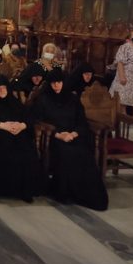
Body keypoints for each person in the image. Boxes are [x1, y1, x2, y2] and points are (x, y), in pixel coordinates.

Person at [32, 69, 108, 211]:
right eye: (53, 83)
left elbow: (81, 120)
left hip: (73, 135)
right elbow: (38, 120)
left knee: (84, 153)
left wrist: (73, 133)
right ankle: (65, 192)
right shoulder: (43, 99)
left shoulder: (73, 99)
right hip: (54, 137)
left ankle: (85, 194)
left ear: (64, 83)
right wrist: (58, 134)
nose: (56, 86)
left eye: (59, 82)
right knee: (66, 153)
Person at [0, 74, 42, 204]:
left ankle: (24, 190)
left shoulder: (13, 101)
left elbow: (28, 116)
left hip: (17, 133)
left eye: (4, 87)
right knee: (2, 150)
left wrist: (22, 125)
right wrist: (1, 125)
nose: (2, 90)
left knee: (27, 149)